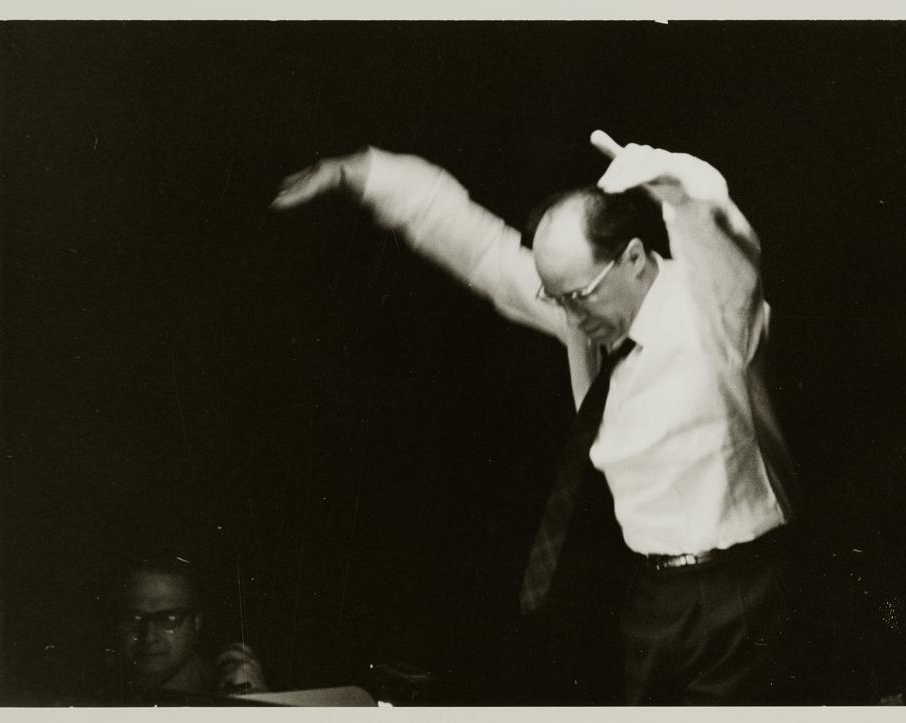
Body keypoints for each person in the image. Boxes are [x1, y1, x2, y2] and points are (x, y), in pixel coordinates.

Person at [271, 130, 802, 705]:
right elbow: (480, 249)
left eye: (580, 295)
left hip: (738, 594)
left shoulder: (714, 313)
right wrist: (361, 172)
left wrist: (680, 190)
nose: (571, 314)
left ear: (633, 258)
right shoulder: (584, 313)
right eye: (557, 298)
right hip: (654, 596)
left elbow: (726, 243)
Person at [97, 553, 268, 703]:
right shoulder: (97, 683)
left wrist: (256, 704)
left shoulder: (232, 687)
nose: (149, 637)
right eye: (134, 618)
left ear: (196, 624)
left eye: (169, 619)